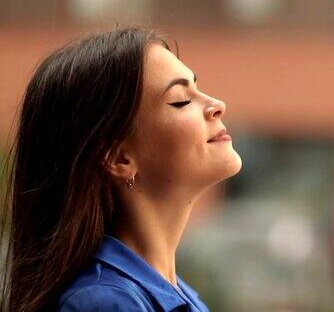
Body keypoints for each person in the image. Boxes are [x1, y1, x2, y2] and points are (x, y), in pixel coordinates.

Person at [0, 27, 242, 311]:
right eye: (181, 100)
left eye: (197, 88)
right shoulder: (103, 302)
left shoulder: (180, 295)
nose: (217, 105)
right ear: (119, 159)